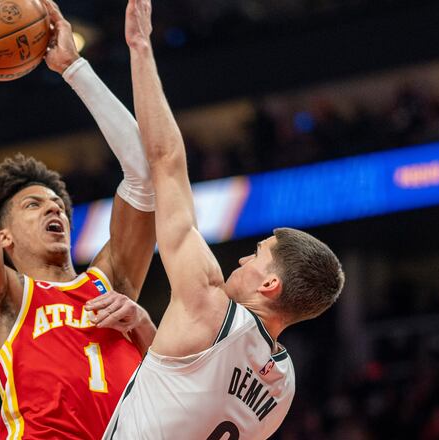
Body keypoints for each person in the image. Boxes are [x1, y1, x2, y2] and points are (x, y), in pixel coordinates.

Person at [103, 0, 346, 438]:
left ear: (270, 285)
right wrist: (144, 327)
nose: (241, 262)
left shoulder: (207, 304)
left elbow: (166, 162)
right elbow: (187, 388)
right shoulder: (282, 386)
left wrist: (139, 47)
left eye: (256, 256)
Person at [0, 1, 158, 438]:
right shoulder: (3, 299)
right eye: (33, 205)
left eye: (56, 204)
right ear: (3, 237)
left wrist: (75, 68)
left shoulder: (110, 285)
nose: (54, 208)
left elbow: (145, 178)